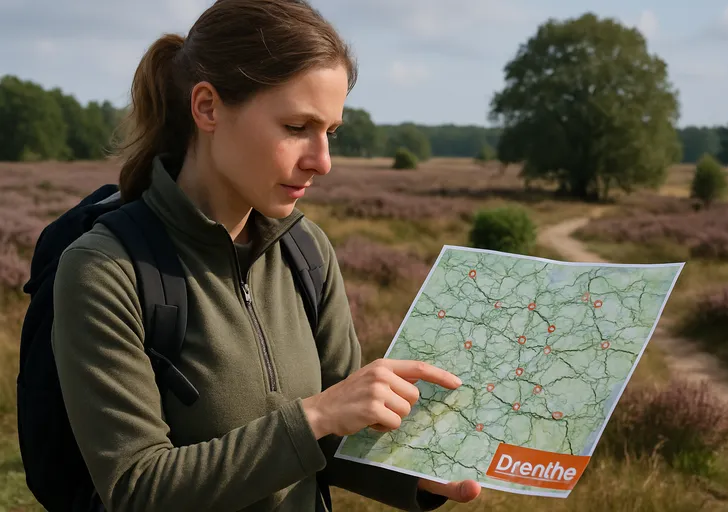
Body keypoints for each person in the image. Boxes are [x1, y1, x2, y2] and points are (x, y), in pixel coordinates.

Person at [50, 0, 483, 510]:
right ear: (207, 107)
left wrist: (417, 479)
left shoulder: (306, 250)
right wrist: (317, 415)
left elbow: (335, 437)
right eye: (297, 127)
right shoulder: (105, 270)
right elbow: (136, 488)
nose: (322, 161)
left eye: (331, 132)